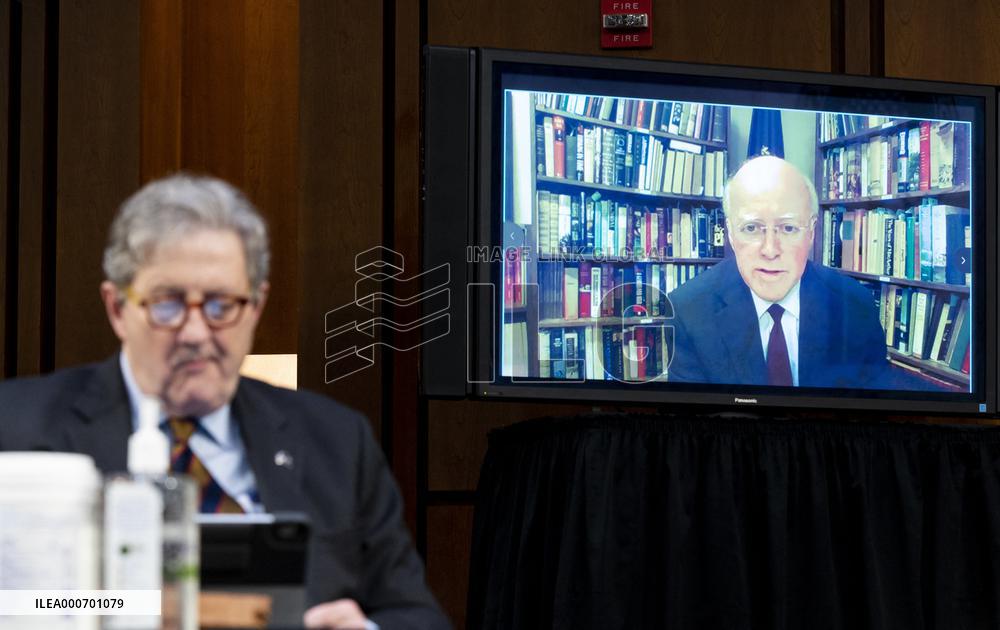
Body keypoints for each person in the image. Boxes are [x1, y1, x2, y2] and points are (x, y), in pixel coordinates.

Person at [0, 174, 451, 630]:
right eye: (167, 305)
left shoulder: (336, 441)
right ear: (118, 309)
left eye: (221, 306)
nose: (196, 334)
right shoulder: (16, 429)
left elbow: (415, 614)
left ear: (255, 307)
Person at [667, 155, 896, 389]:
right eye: (751, 228)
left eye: (788, 228)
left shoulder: (855, 306)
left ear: (811, 233)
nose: (770, 250)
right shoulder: (688, 312)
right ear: (731, 234)